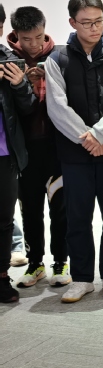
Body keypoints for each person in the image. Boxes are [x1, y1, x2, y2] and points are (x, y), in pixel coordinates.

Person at [44, 0, 103, 303]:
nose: (94, 28)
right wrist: (89, 138)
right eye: (86, 23)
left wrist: (100, 135)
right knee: (77, 219)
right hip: (75, 153)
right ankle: (82, 278)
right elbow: (57, 106)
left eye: (99, 21)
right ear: (72, 22)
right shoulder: (57, 59)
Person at [5, 6, 70, 290]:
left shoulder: (60, 56)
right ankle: (35, 264)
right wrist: (23, 85)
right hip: (24, 149)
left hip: (57, 147)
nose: (33, 44)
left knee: (61, 208)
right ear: (16, 35)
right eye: (26, 39)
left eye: (38, 37)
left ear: (45, 30)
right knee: (30, 209)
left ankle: (61, 262)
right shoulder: (8, 60)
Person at [0, 20, 36, 304]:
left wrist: (20, 84)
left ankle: (1, 276)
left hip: (5, 154)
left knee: (3, 219)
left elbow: (29, 108)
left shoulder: (10, 60)